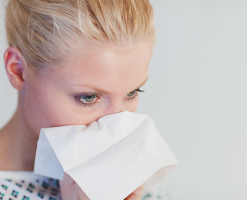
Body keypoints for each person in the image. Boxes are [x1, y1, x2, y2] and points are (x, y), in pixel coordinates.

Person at [0, 0, 178, 199]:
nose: (116, 123)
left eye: (132, 93)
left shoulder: (143, 178)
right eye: (88, 98)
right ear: (18, 70)